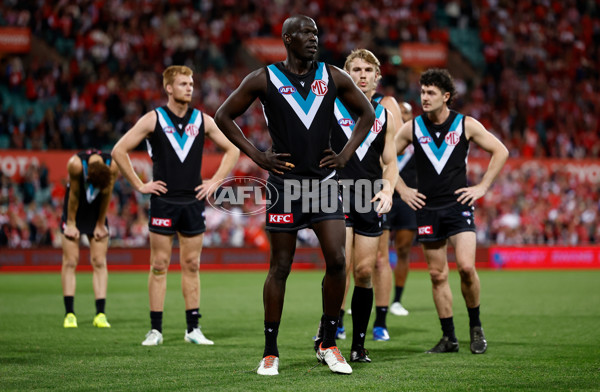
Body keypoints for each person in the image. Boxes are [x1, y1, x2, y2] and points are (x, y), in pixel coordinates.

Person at [214, 15, 375, 376]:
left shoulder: (332, 75)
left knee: (337, 260)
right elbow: (223, 115)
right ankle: (270, 351)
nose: (313, 38)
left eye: (316, 33)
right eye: (305, 33)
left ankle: (328, 343)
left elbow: (366, 113)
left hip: (324, 184)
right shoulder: (264, 78)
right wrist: (257, 155)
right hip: (284, 187)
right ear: (287, 39)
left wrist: (346, 154)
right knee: (280, 267)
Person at [111, 65, 239, 346]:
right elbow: (118, 150)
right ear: (168, 88)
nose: (189, 87)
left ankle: (193, 329)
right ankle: (155, 329)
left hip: (192, 202)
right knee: (158, 265)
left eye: (191, 82)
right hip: (163, 202)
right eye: (183, 83)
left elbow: (233, 149)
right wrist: (139, 185)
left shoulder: (202, 120)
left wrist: (215, 182)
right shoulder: (153, 119)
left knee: (192, 264)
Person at [394, 68, 508, 354]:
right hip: (427, 209)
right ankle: (449, 338)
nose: (425, 97)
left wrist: (482, 187)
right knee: (437, 275)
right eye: (422, 92)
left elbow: (501, 151)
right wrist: (402, 189)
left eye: (431, 92)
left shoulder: (465, 124)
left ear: (446, 96)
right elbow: (385, 159)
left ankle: (476, 327)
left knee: (467, 268)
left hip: (458, 207)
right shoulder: (412, 128)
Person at [321, 48, 397, 362]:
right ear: (346, 74)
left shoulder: (385, 116)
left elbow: (390, 161)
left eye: (368, 70)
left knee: (365, 271)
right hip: (335, 195)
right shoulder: (327, 107)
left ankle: (358, 345)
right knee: (341, 266)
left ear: (377, 77)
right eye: (356, 69)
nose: (362, 75)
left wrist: (389, 189)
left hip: (369, 196)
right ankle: (327, 337)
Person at [61, 149, 118, 328]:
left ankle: (100, 314)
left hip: (97, 211)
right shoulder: (76, 165)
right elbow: (75, 195)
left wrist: (100, 223)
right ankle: (69, 314)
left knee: (99, 261)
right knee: (70, 261)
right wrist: (70, 223)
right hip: (74, 210)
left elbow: (107, 193)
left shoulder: (113, 165)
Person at [378, 101, 416, 323]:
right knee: (375, 254)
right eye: (400, 112)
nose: (403, 115)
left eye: (406, 113)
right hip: (383, 193)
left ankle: (397, 300)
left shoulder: (416, 138)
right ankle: (371, 298)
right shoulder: (384, 135)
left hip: (407, 198)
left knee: (402, 249)